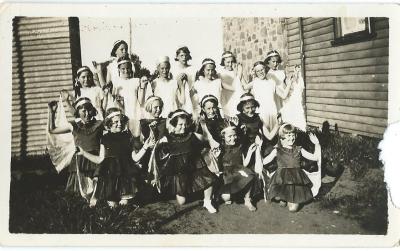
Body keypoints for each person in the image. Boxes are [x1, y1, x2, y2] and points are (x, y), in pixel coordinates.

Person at [148, 109, 218, 213]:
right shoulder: (167, 138)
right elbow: (156, 150)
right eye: (180, 124)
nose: (183, 127)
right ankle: (189, 191)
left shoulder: (193, 135)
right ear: (174, 125)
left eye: (185, 124)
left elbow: (207, 140)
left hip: (195, 166)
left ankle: (207, 201)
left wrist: (212, 146)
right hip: (179, 170)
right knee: (182, 201)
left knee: (209, 180)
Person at [77, 108, 145, 208]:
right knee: (113, 206)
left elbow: (134, 158)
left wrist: (145, 147)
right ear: (109, 123)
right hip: (109, 176)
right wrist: (83, 153)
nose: (120, 124)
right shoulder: (105, 138)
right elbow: (100, 159)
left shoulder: (127, 136)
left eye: (121, 121)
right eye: (116, 122)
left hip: (125, 174)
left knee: (124, 205)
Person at [48, 97, 103, 201]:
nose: (87, 114)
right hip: (80, 159)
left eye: (89, 110)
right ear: (78, 112)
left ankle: (96, 199)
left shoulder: (99, 124)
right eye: (84, 111)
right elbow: (52, 130)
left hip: (95, 158)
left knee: (98, 184)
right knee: (78, 189)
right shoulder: (73, 126)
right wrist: (52, 112)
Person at [263, 123, 321, 212]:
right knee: (277, 197)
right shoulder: (277, 150)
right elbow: (264, 162)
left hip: (296, 179)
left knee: (293, 209)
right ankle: (283, 195)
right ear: (282, 137)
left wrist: (317, 144)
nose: (291, 138)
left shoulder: (299, 149)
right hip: (281, 178)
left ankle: (287, 197)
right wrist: (257, 150)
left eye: (293, 135)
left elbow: (315, 158)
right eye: (288, 135)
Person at [215, 124, 257, 211]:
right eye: (229, 136)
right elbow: (218, 169)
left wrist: (249, 152)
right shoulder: (220, 149)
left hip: (238, 170)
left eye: (234, 135)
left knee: (250, 175)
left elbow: (244, 164)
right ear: (223, 137)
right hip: (227, 175)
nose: (233, 138)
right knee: (226, 198)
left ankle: (247, 199)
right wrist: (216, 158)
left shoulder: (239, 147)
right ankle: (232, 194)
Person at [243, 61, 292, 132]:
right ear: (255, 72)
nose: (260, 72)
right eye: (258, 71)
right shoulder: (255, 82)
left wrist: (289, 84)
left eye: (262, 69)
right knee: (262, 133)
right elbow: (244, 87)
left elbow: (284, 96)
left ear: (265, 69)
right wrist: (244, 75)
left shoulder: (272, 82)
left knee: (273, 133)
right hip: (260, 112)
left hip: (272, 111)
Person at [112, 56, 146, 137]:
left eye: (128, 68)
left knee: (136, 135)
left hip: (134, 110)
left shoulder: (136, 81)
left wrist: (142, 87)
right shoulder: (116, 81)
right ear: (119, 69)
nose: (126, 70)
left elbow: (141, 99)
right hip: (123, 109)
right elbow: (114, 97)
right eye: (123, 69)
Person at [219, 51, 246, 118]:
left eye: (232, 62)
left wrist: (238, 73)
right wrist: (237, 73)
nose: (230, 64)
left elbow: (244, 86)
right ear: (223, 62)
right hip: (227, 100)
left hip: (237, 98)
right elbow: (233, 87)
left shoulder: (237, 71)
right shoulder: (220, 74)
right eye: (228, 62)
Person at [171, 46, 196, 114]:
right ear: (177, 57)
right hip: (178, 95)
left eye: (185, 55)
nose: (184, 58)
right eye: (181, 55)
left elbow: (194, 83)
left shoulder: (192, 69)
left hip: (190, 95)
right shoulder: (174, 69)